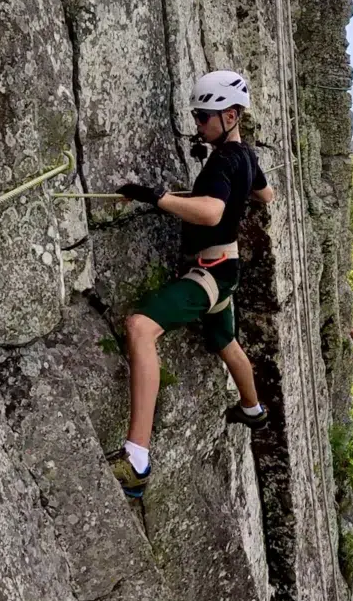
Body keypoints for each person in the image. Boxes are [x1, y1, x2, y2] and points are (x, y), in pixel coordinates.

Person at [106, 70, 274, 498]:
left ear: (231, 115)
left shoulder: (223, 161)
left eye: (204, 116)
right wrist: (230, 192)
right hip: (227, 269)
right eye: (197, 115)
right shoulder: (246, 157)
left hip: (210, 271)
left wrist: (155, 195)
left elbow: (211, 213)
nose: (197, 124)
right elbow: (265, 196)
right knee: (226, 342)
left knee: (141, 327)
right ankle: (253, 411)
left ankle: (136, 459)